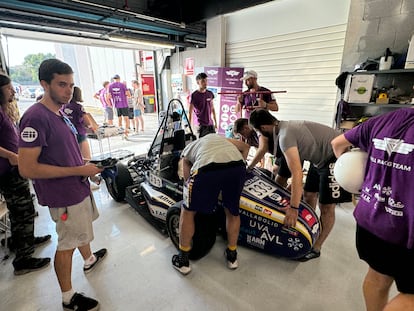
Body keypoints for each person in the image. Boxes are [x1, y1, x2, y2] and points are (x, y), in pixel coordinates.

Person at [18, 59, 107, 311]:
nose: (68, 90)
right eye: (61, 84)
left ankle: (88, 258)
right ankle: (68, 298)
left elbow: (64, 153)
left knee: (78, 232)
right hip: (63, 195)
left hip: (76, 187)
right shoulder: (35, 118)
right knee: (66, 244)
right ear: (44, 84)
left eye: (70, 85)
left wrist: (87, 167)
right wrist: (79, 169)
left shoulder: (60, 112)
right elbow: (27, 168)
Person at [331, 108, 414, 311]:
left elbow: (337, 144)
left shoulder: (386, 119)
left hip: (371, 219)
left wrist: (356, 180)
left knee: (377, 277)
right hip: (406, 229)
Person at [249, 108, 351, 261]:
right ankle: (309, 231)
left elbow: (296, 173)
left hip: (335, 156)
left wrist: (294, 208)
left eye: (258, 132)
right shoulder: (282, 127)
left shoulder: (285, 136)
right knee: (309, 194)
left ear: (263, 128)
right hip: (319, 160)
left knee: (327, 207)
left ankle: (316, 247)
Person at [172, 134, 249, 275]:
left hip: (208, 169)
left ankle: (183, 260)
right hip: (237, 167)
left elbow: (187, 174)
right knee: (232, 212)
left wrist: (189, 190)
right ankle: (232, 256)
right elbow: (245, 147)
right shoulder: (222, 139)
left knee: (188, 211)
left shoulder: (190, 147)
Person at [0, 73, 51, 275]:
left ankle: (23, 241)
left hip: (14, 168)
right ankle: (23, 258)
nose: (13, 91)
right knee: (23, 211)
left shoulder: (4, 110)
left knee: (21, 210)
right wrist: (11, 155)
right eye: (8, 87)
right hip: (9, 170)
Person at [62, 86, 100, 190]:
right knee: (86, 159)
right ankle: (89, 180)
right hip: (80, 134)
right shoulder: (78, 107)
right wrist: (93, 127)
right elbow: (87, 122)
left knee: (76, 158)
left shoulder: (64, 106)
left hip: (69, 135)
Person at [188, 72, 217, 138]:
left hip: (210, 124)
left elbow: (212, 108)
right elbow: (190, 112)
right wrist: (189, 126)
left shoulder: (210, 93)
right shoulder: (194, 95)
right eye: (203, 81)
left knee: (212, 143)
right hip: (200, 126)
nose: (205, 83)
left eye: (206, 81)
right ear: (198, 82)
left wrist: (215, 122)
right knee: (202, 146)